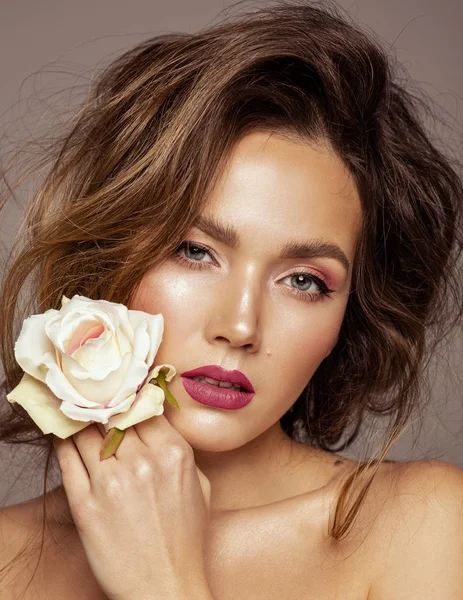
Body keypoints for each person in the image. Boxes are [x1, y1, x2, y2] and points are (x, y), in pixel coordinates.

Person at [1, 1, 462, 598]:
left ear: (350, 318)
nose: (241, 325)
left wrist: (162, 584)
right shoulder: (8, 560)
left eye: (304, 281)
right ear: (109, 252)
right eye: (194, 251)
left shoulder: (425, 529)